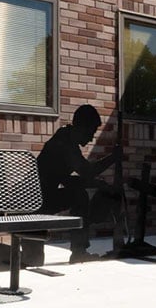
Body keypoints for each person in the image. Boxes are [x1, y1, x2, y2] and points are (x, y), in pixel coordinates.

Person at [29, 104, 121, 264]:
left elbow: (66, 179)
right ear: (81, 127)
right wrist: (113, 157)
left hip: (41, 199)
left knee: (78, 194)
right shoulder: (64, 143)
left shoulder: (66, 139)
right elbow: (87, 171)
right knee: (32, 260)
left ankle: (79, 251)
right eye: (91, 132)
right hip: (32, 204)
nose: (92, 138)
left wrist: (99, 185)